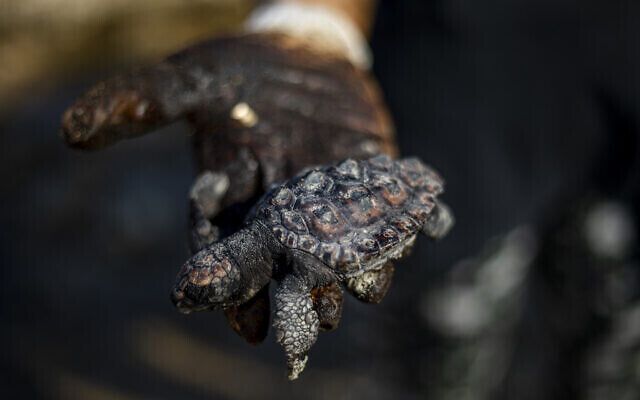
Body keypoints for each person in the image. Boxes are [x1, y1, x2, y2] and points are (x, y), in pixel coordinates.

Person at [61, 0, 640, 398]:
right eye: (199, 284)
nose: (195, 289)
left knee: (615, 348)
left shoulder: (274, 246)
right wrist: (310, 19)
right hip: (452, 74)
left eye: (199, 282)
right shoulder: (270, 229)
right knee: (440, 335)